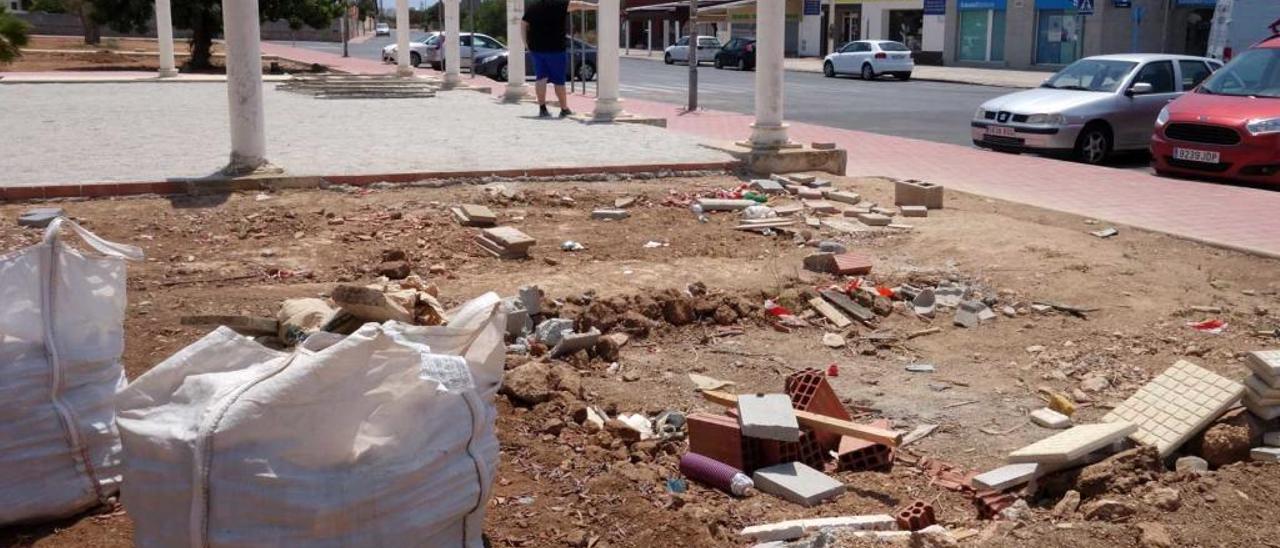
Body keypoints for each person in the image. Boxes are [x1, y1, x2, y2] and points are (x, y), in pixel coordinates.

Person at [522, 0, 597, 118]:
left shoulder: (533, 8)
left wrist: (525, 43)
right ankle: (564, 108)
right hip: (555, 49)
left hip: (537, 48)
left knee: (540, 78)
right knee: (559, 80)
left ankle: (542, 109)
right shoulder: (560, 4)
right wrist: (596, 7)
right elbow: (579, 5)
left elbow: (523, 24)